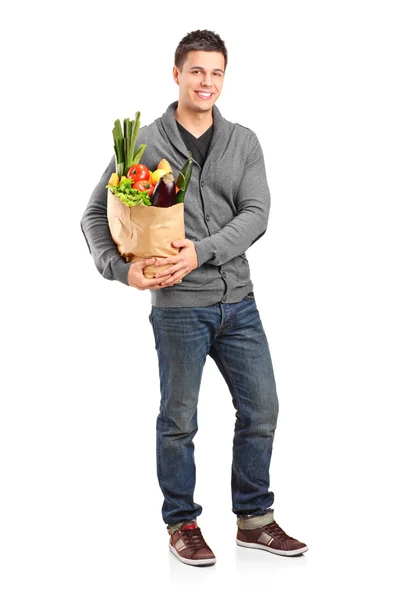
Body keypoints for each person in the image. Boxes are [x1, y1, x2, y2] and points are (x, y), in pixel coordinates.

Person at [80, 29, 308, 567]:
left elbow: (257, 215)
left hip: (240, 304)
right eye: (197, 71)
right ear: (177, 73)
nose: (207, 82)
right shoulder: (142, 143)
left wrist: (199, 252)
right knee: (178, 420)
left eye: (217, 73)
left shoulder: (244, 142)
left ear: (224, 79)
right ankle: (181, 523)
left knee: (261, 409)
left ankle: (254, 521)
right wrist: (119, 270)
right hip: (179, 310)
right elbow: (94, 214)